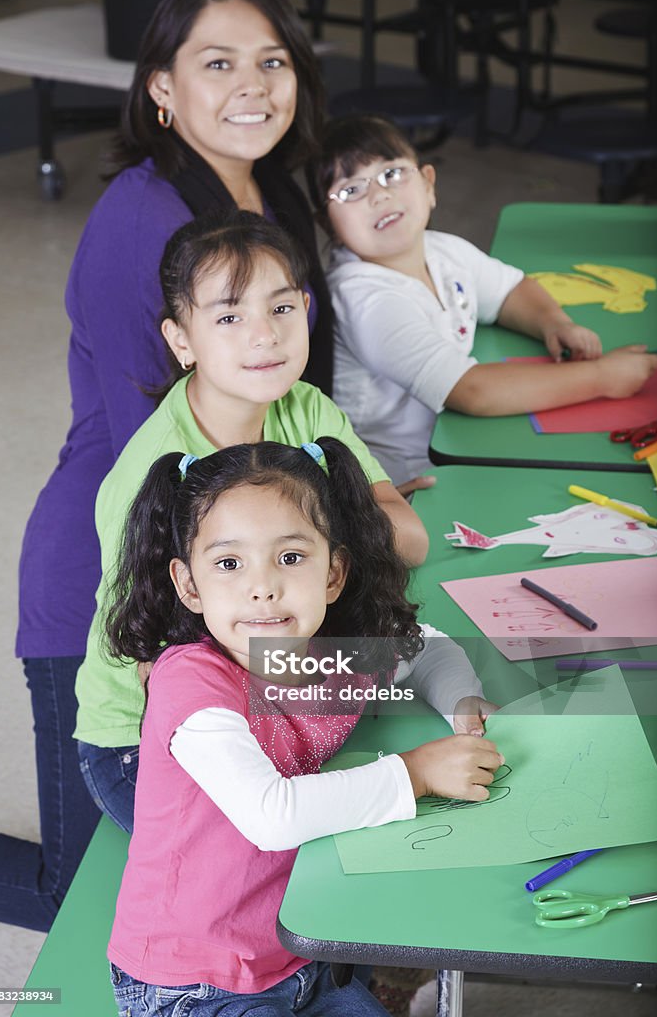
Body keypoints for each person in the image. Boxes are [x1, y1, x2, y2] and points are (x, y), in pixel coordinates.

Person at [0, 0, 335, 935]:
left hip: (227, 563)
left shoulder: (268, 188)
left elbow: (283, 387)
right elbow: (171, 452)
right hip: (112, 575)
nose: (252, 86)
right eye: (217, 63)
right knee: (81, 896)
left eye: (272, 60)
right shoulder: (144, 217)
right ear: (162, 90)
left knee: (226, 847)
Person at [103, 437, 502, 1016]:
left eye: (291, 557)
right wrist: (415, 773)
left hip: (298, 952)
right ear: (189, 585)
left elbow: (430, 651)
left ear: (334, 572)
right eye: (228, 563)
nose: (262, 586)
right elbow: (273, 814)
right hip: (192, 981)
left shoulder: (325, 654)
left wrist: (465, 705)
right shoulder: (190, 683)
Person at [74, 211, 429, 835]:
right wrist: (324, 531)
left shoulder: (304, 407)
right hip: (151, 737)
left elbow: (411, 540)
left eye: (282, 309)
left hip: (274, 688)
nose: (264, 336)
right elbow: (154, 661)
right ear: (181, 340)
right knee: (291, 866)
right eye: (229, 317)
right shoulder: (151, 476)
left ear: (308, 309)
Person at [309, 114, 657, 489]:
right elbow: (471, 391)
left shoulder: (443, 249)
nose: (379, 194)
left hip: (457, 445)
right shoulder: (364, 297)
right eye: (351, 190)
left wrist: (553, 322)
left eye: (392, 174)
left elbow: (510, 290)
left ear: (429, 184)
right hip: (405, 482)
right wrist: (603, 377)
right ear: (329, 225)